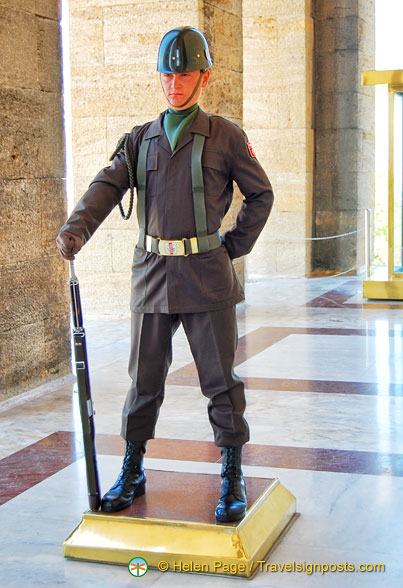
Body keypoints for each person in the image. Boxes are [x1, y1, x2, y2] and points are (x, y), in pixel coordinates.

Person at [56, 26, 274, 522]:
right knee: (143, 381)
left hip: (206, 278)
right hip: (152, 276)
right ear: (160, 77)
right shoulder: (139, 140)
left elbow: (261, 194)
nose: (175, 83)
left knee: (220, 382)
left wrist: (231, 248)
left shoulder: (226, 136)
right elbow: (105, 186)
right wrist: (76, 230)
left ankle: (232, 475)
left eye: (185, 73)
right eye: (168, 73)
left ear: (205, 76)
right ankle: (132, 470)